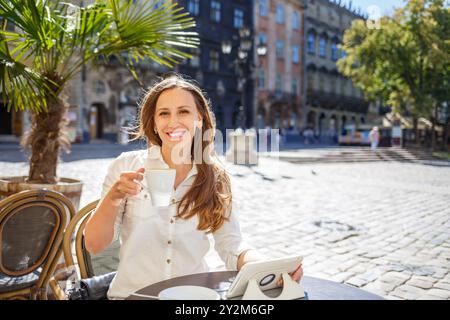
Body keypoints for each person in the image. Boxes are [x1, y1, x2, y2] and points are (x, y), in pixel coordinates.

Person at [84, 75, 303, 299]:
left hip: (192, 297)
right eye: (164, 113)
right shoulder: (126, 166)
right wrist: (113, 197)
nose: (173, 121)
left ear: (199, 119)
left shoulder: (215, 177)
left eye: (183, 112)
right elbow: (93, 244)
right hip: (131, 296)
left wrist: (268, 267)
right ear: (155, 124)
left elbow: (231, 243)